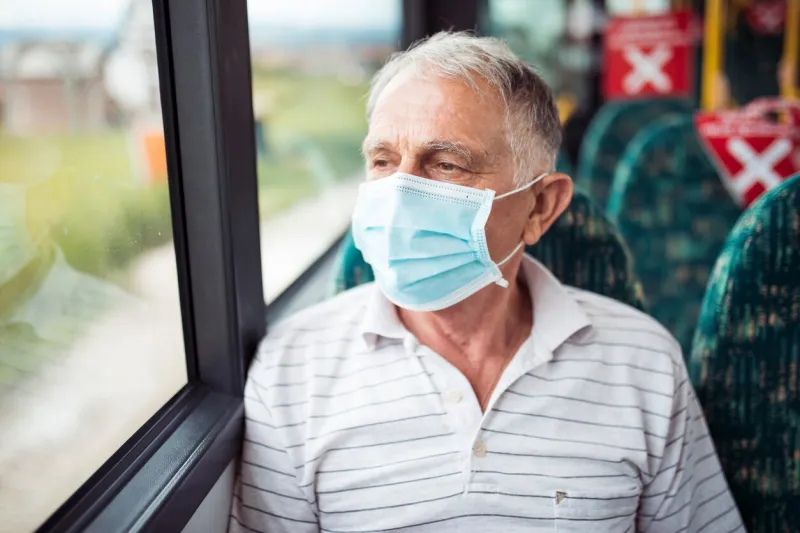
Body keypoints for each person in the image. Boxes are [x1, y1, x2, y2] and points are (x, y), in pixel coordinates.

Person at [230, 32, 744, 533]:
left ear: (539, 207)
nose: (399, 194)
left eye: (448, 164)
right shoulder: (292, 368)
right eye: (383, 161)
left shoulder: (645, 362)